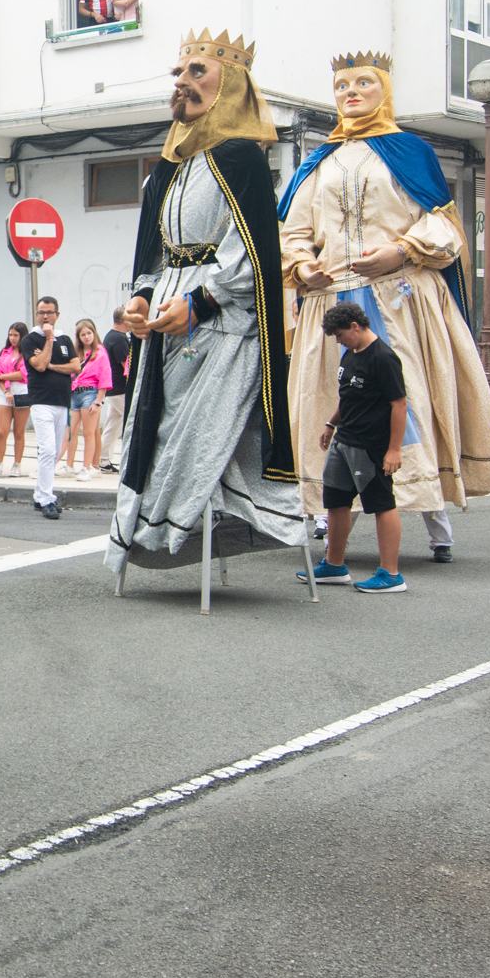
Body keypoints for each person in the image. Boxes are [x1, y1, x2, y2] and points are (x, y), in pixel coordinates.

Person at [280, 51, 490, 564]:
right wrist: (302, 265)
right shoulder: (319, 162)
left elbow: (444, 225)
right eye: (343, 86)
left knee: (408, 404)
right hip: (331, 303)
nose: (351, 93)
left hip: (399, 299)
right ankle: (325, 512)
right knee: (327, 403)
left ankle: (434, 516)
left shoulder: (410, 152)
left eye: (363, 83)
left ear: (384, 89)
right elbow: (293, 230)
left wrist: (402, 251)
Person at [110, 30, 305, 576]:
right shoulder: (167, 169)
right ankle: (152, 529)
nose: (182, 82)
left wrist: (202, 300)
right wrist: (142, 298)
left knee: (202, 432)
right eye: (179, 72)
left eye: (198, 71)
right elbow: (153, 250)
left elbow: (252, 248)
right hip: (167, 314)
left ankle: (195, 525)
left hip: (221, 320)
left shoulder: (241, 159)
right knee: (158, 425)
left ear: (232, 85)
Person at [303, 302, 410, 593]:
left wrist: (394, 449)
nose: (338, 341)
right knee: (336, 501)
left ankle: (391, 574)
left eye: (340, 335)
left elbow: (399, 404)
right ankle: (334, 565)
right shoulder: (350, 354)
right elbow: (348, 394)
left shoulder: (383, 358)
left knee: (381, 503)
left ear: (355, 326)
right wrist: (331, 423)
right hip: (344, 439)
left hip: (370, 444)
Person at [21, 297, 77, 519]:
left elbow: (76, 366)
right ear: (36, 314)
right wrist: (49, 339)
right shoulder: (30, 339)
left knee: (54, 452)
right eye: (41, 312)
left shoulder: (66, 339)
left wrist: (53, 365)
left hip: (62, 401)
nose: (45, 316)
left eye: (49, 312)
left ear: (57, 314)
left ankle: (40, 494)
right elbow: (40, 365)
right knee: (47, 450)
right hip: (41, 401)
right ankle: (46, 498)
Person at [67, 319, 111, 480]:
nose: (86, 337)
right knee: (70, 431)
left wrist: (98, 401)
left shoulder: (100, 353)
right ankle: (69, 465)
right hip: (74, 393)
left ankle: (88, 467)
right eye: (83, 334)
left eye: (89, 333)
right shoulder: (75, 353)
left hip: (90, 393)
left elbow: (104, 378)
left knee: (88, 433)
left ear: (94, 333)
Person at [0, 322, 31, 477]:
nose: (13, 338)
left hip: (22, 392)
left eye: (16, 335)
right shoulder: (5, 352)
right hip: (5, 392)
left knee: (19, 432)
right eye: (10, 335)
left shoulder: (27, 353)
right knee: (2, 431)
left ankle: (17, 464)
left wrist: (3, 376)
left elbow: (23, 374)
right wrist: (5, 389)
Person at [99, 308, 132, 471]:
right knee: (132, 421)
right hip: (120, 389)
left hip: (113, 388)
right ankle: (129, 460)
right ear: (124, 320)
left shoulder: (111, 336)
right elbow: (127, 366)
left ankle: (103, 459)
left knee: (113, 425)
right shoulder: (119, 338)